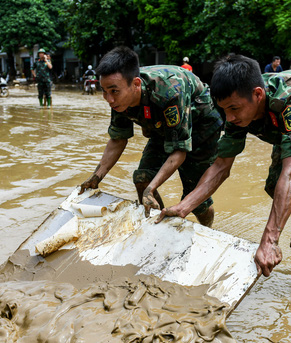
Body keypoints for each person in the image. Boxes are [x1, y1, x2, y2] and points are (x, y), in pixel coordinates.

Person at [158, 54, 291, 276]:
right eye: (224, 110)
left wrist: (270, 240)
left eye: (233, 109)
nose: (229, 118)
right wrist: (183, 207)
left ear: (258, 95)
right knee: (273, 184)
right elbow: (221, 166)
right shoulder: (239, 107)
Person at [79, 46, 223, 227]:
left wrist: (151, 189)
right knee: (142, 179)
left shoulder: (169, 92)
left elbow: (179, 150)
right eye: (104, 91)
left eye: (114, 91)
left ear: (136, 84)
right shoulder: (118, 99)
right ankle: (158, 228)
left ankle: (208, 230)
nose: (108, 99)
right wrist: (96, 177)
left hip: (202, 125)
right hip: (162, 125)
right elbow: (117, 139)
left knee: (195, 198)